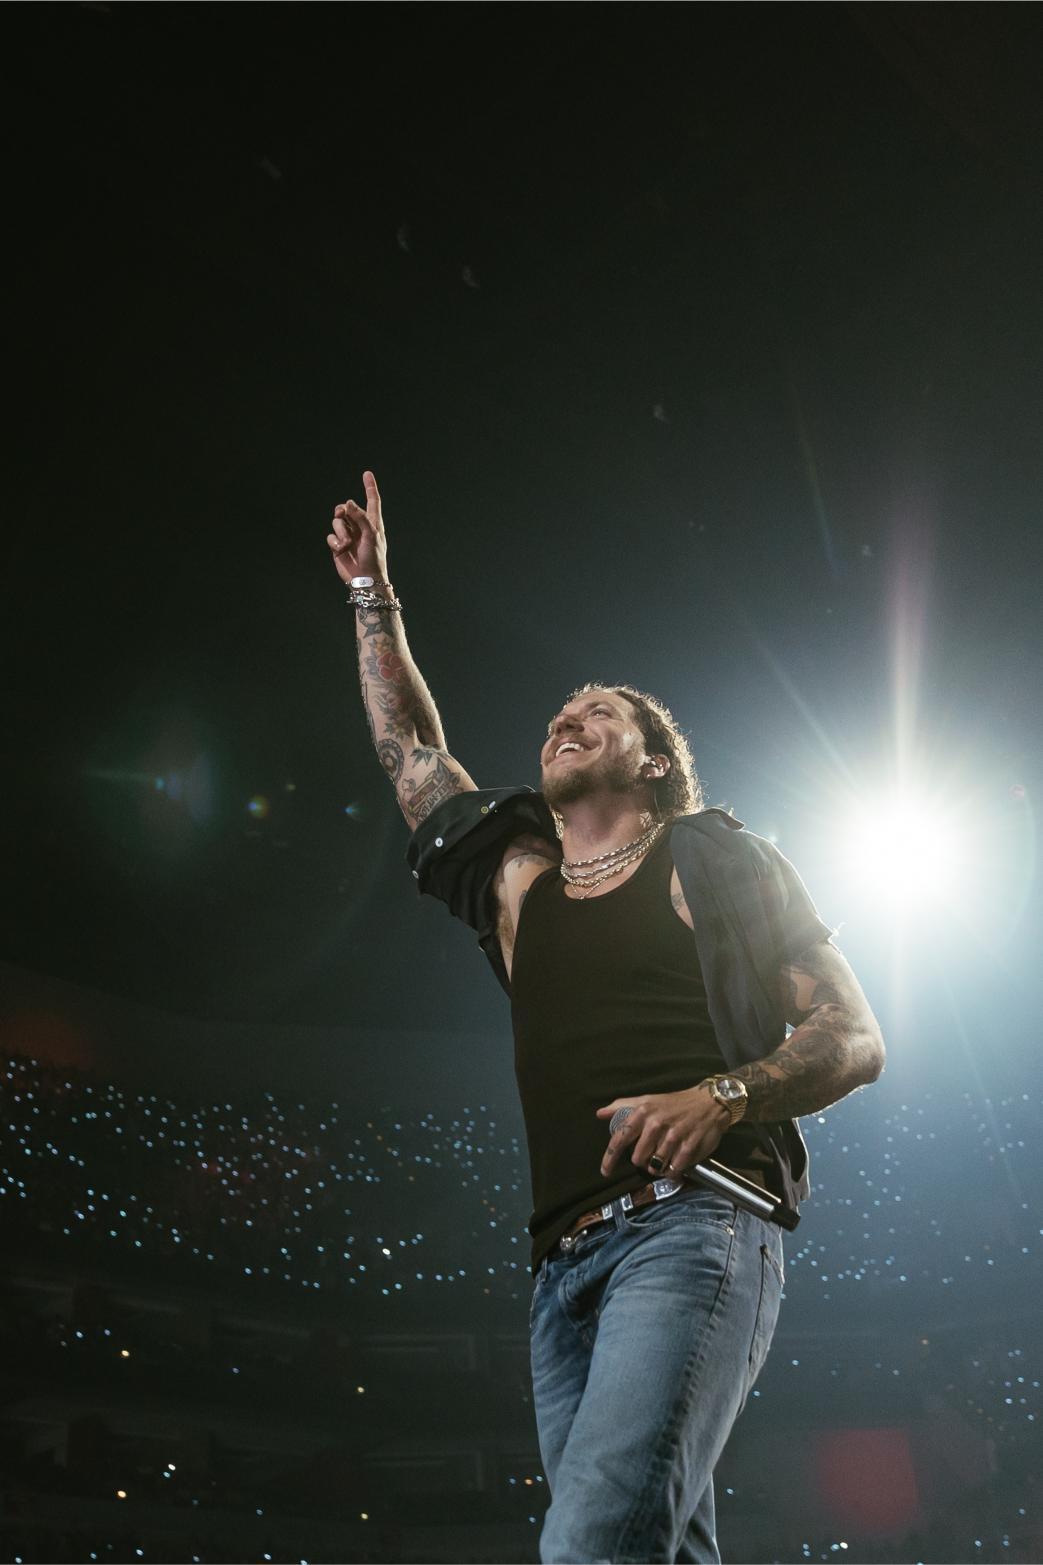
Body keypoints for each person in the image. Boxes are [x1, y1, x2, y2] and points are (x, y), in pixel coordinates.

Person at [326, 471, 886, 1565]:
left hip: (692, 1224)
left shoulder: (709, 859)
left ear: (655, 762)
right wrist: (371, 595)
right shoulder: (520, 891)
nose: (566, 716)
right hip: (560, 1269)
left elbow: (852, 1033)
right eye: (560, 710)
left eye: (601, 710)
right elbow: (415, 757)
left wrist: (722, 1094)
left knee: (589, 1544)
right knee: (654, 1547)